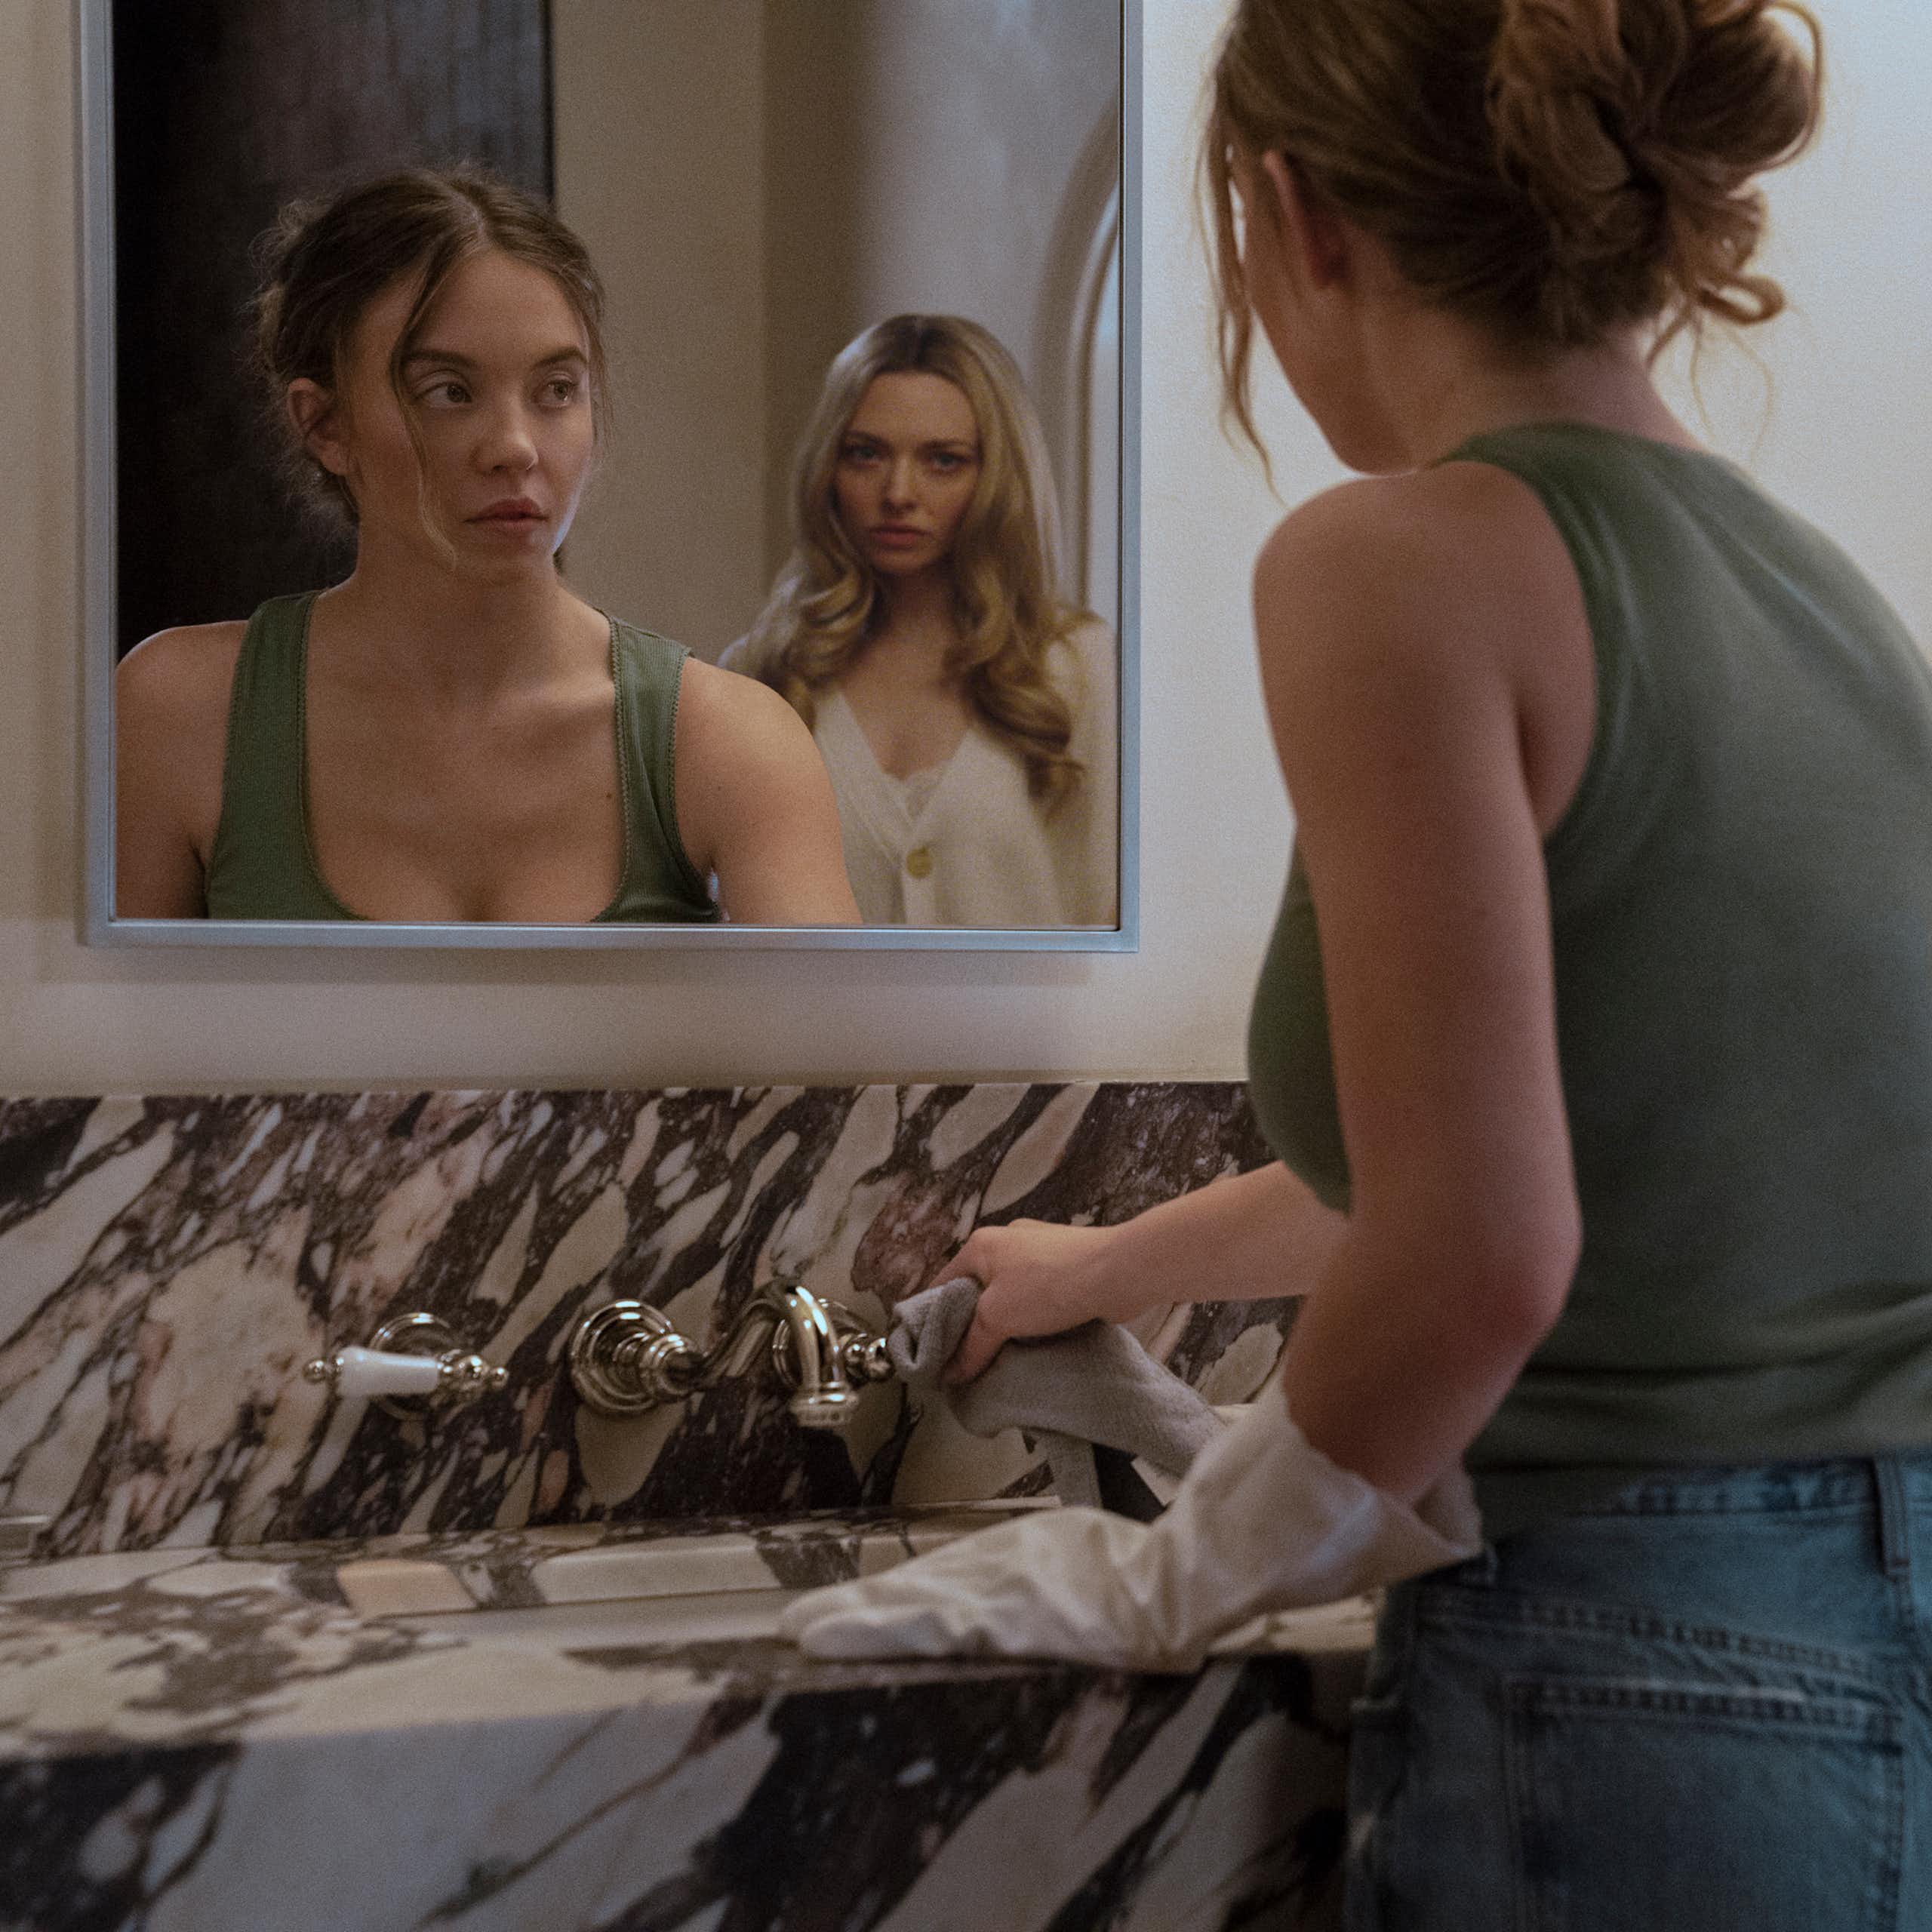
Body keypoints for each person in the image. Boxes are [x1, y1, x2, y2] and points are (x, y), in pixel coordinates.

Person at [780, 2, 1932, 1920]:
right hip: (1876, 1629)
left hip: (1628, 1657)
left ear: (1292, 215)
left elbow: (1480, 1249)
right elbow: (1534, 1149)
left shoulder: (1389, 561)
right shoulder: (1824, 601)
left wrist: (1183, 1563)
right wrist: (1115, 1265)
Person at [115, 165, 858, 926]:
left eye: (556, 389)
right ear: (324, 426)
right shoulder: (181, 714)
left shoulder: (723, 739)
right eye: (448, 392)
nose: (514, 447)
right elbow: (81, 1034)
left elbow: (836, 1043)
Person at [722, 314, 1116, 927]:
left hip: (1028, 1026)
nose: (898, 492)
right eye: (866, 454)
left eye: (943, 460)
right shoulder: (760, 674)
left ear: (996, 478)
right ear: (830, 469)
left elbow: (1107, 920)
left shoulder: (1080, 667)